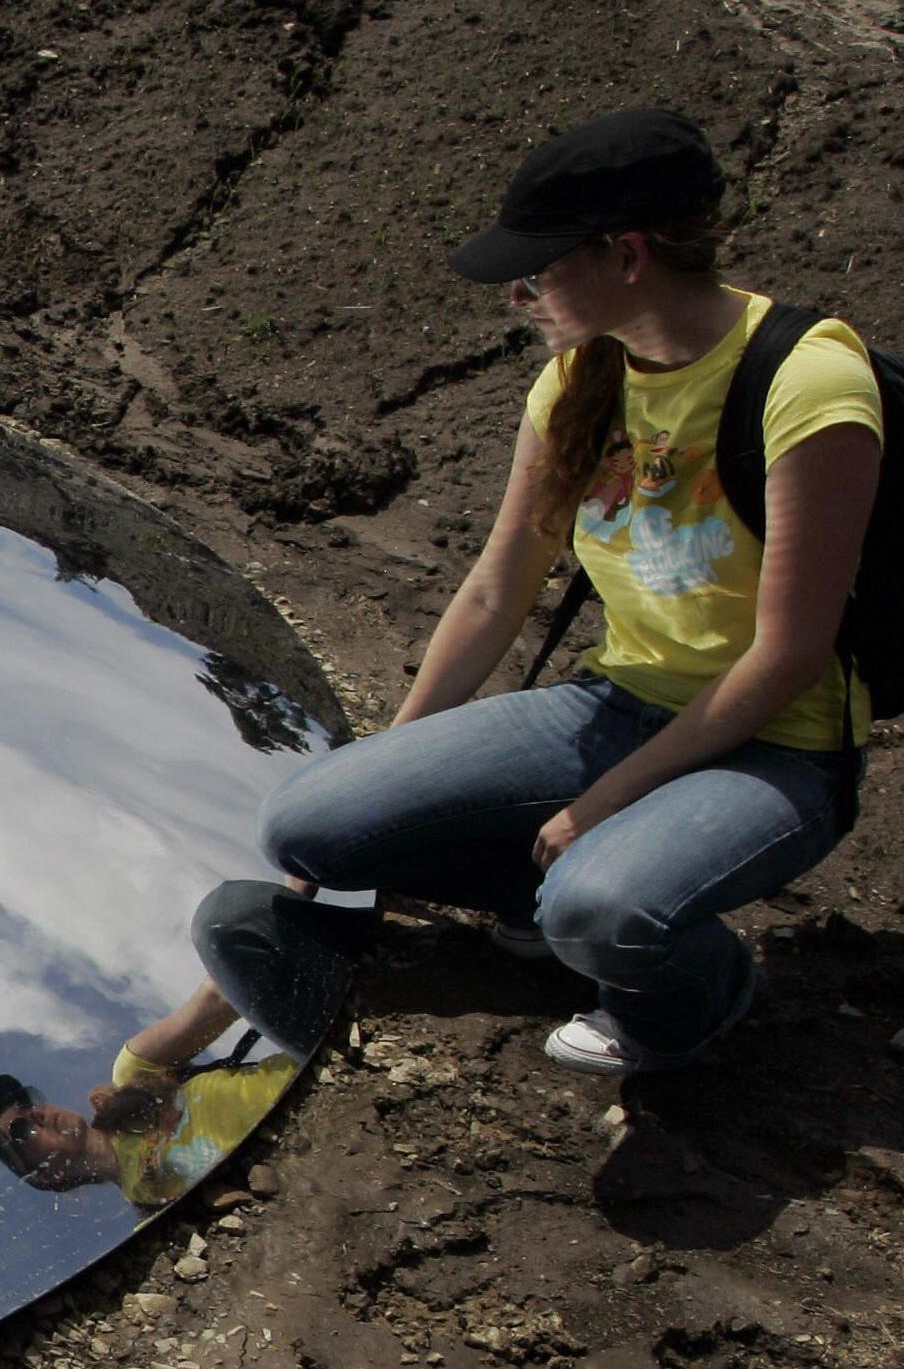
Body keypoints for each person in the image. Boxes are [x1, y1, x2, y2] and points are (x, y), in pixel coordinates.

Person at [254, 108, 880, 1076]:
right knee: (307, 823)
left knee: (596, 905)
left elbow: (786, 653)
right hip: (613, 703)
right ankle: (544, 903)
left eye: (538, 268)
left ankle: (693, 990)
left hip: (774, 748)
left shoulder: (805, 382)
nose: (519, 293)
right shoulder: (575, 380)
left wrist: (598, 803)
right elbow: (494, 588)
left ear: (625, 255)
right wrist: (383, 767)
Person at [0, 881, 363, 1206]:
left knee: (222, 915)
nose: (34, 1114)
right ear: (49, 1176)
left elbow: (219, 997)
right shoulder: (154, 1212)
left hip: (331, 1064)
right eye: (21, 1131)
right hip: (330, 1160)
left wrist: (283, 902)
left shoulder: (133, 1075)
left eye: (28, 1104)